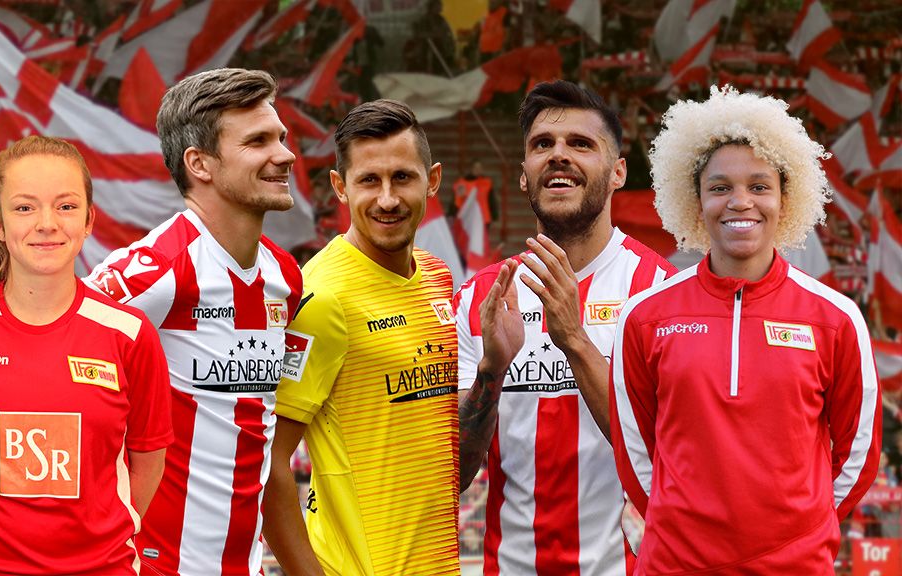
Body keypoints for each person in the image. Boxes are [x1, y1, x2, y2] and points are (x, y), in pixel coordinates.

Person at [611, 86, 882, 573]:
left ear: (785, 196)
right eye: (720, 187)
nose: (740, 202)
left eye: (759, 186)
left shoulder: (836, 318)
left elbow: (858, 456)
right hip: (677, 564)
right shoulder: (645, 315)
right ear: (695, 200)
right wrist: (684, 528)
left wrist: (802, 532)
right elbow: (635, 455)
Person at [0, 135, 172, 574]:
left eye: (65, 206)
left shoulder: (130, 334)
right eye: (25, 207)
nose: (47, 223)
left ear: (89, 220)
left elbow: (147, 464)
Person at [85, 68, 302, 575]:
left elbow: (267, 431)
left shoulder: (286, 277)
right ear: (199, 163)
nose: (285, 154)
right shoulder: (154, 271)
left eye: (282, 138)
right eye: (258, 141)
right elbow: (44, 362)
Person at [453, 80, 675, 575]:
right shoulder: (478, 299)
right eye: (542, 146)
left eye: (580, 144)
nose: (558, 156)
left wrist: (573, 337)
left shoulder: (662, 293)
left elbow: (669, 460)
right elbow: (457, 475)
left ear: (618, 172)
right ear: (523, 176)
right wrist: (492, 368)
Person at [262, 99, 460, 575]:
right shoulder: (321, 297)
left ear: (432, 179)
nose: (388, 199)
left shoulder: (437, 275)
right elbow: (266, 461)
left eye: (403, 178)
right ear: (340, 188)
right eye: (369, 180)